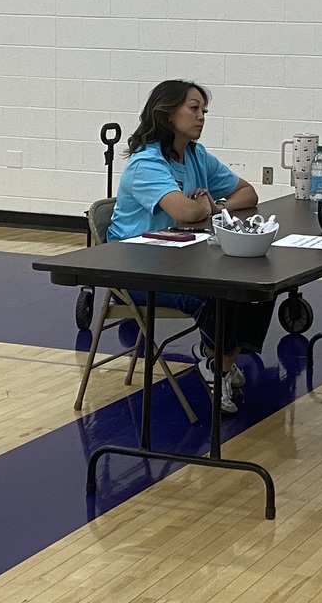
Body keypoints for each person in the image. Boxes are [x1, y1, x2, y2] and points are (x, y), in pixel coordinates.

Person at [109, 79, 274, 414]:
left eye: (204, 110)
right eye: (194, 108)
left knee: (260, 283)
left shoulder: (196, 155)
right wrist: (202, 207)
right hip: (135, 270)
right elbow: (185, 212)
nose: (201, 117)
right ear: (168, 113)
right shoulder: (146, 163)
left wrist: (215, 207)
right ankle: (217, 364)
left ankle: (220, 362)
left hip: (179, 259)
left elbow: (249, 193)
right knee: (217, 291)